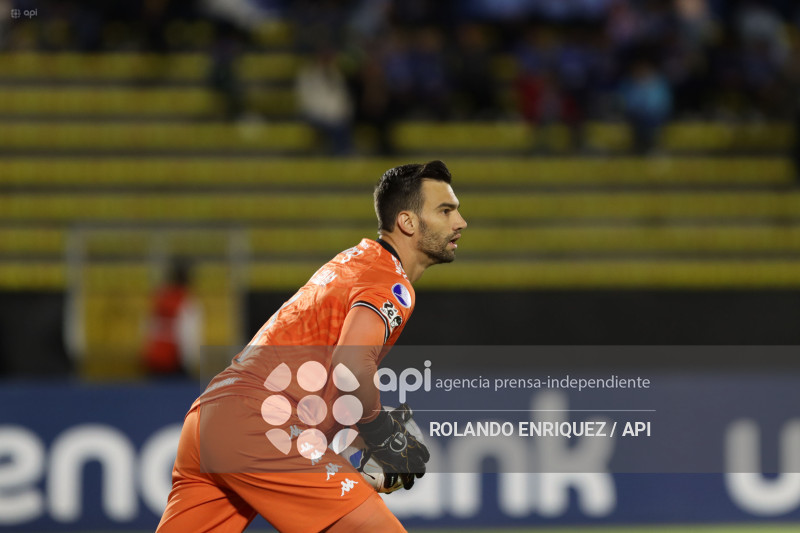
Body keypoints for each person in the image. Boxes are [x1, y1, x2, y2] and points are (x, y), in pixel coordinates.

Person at [157, 160, 467, 532]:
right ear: (408, 223)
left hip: (210, 417)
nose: (460, 222)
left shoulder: (355, 262)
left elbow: (318, 383)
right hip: (257, 421)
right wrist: (379, 430)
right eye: (446, 210)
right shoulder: (391, 284)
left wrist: (359, 438)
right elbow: (351, 365)